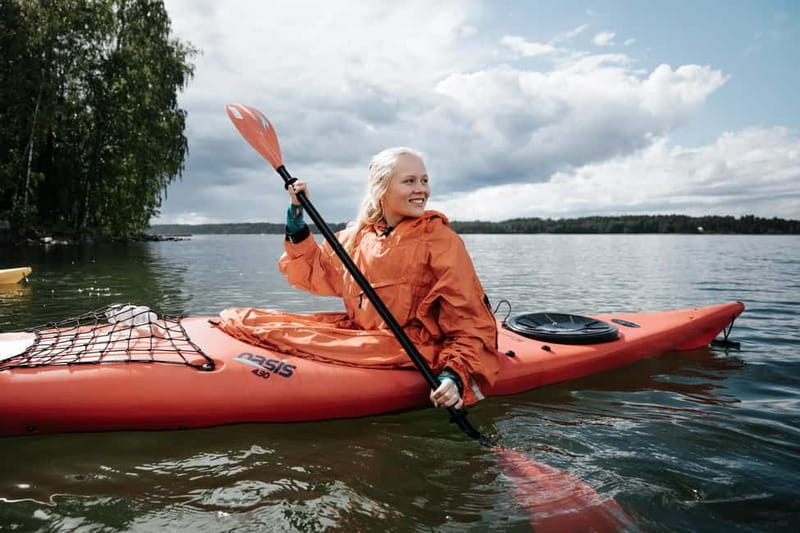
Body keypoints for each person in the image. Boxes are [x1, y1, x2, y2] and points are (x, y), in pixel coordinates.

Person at [220, 147, 498, 409]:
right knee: (253, 320)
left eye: (424, 180)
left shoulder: (440, 241)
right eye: (409, 181)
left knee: (280, 335)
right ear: (382, 190)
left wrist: (454, 375)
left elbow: (470, 320)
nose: (421, 190)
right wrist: (296, 214)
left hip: (414, 344)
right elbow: (311, 270)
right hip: (362, 333)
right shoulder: (358, 237)